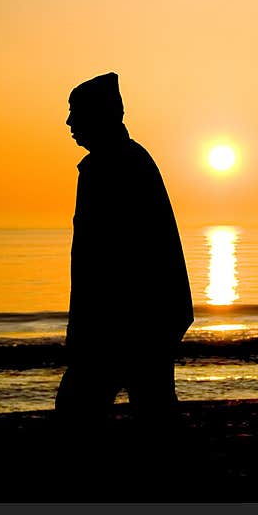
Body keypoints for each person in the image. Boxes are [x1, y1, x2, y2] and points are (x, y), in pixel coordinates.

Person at [55, 72, 193, 426]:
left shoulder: (114, 167)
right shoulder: (122, 162)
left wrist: (85, 328)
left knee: (82, 410)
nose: (69, 121)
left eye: (76, 112)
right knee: (152, 410)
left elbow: (101, 262)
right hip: (142, 319)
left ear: (98, 114)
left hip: (128, 322)